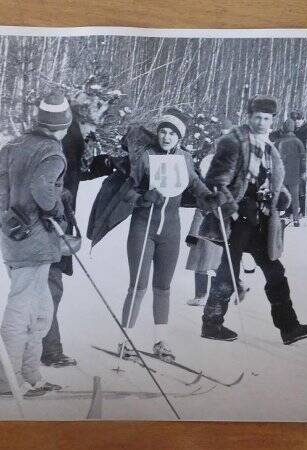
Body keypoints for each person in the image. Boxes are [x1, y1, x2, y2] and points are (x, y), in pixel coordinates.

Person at [197, 95, 307, 345]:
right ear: (249, 117)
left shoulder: (268, 146)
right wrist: (231, 208)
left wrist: (282, 198)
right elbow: (215, 182)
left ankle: (289, 327)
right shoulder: (233, 142)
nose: (262, 122)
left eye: (267, 118)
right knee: (228, 272)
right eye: (257, 118)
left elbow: (270, 180)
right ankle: (211, 324)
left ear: (272, 120)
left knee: (275, 270)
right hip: (238, 218)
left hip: (260, 219)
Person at [0, 92, 72, 397]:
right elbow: (42, 189)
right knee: (21, 310)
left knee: (41, 310)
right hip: (35, 243)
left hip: (14, 239)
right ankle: (7, 383)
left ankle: (30, 374)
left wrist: (6, 212)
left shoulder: (15, 144)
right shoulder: (52, 152)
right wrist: (56, 211)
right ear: (63, 124)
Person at [117, 108, 215, 361]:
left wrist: (208, 196)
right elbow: (128, 193)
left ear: (179, 137)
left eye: (172, 133)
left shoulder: (185, 158)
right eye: (163, 131)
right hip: (144, 228)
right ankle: (125, 340)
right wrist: (143, 197)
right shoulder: (146, 157)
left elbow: (195, 183)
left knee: (163, 287)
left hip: (170, 230)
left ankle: (161, 342)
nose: (167, 137)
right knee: (138, 286)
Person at [41, 111, 114, 368]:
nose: (92, 133)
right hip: (51, 225)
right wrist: (58, 203)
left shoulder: (71, 144)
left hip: (57, 223)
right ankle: (48, 350)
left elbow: (75, 173)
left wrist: (103, 164)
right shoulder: (65, 142)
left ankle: (45, 348)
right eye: (91, 126)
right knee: (50, 287)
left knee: (49, 288)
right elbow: (55, 180)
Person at [276, 119, 307, 226]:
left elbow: (274, 157)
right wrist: (303, 172)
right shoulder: (298, 142)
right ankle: (296, 219)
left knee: (279, 195)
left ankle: (276, 217)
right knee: (295, 197)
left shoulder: (279, 141)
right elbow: (303, 159)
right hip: (295, 174)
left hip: (282, 174)